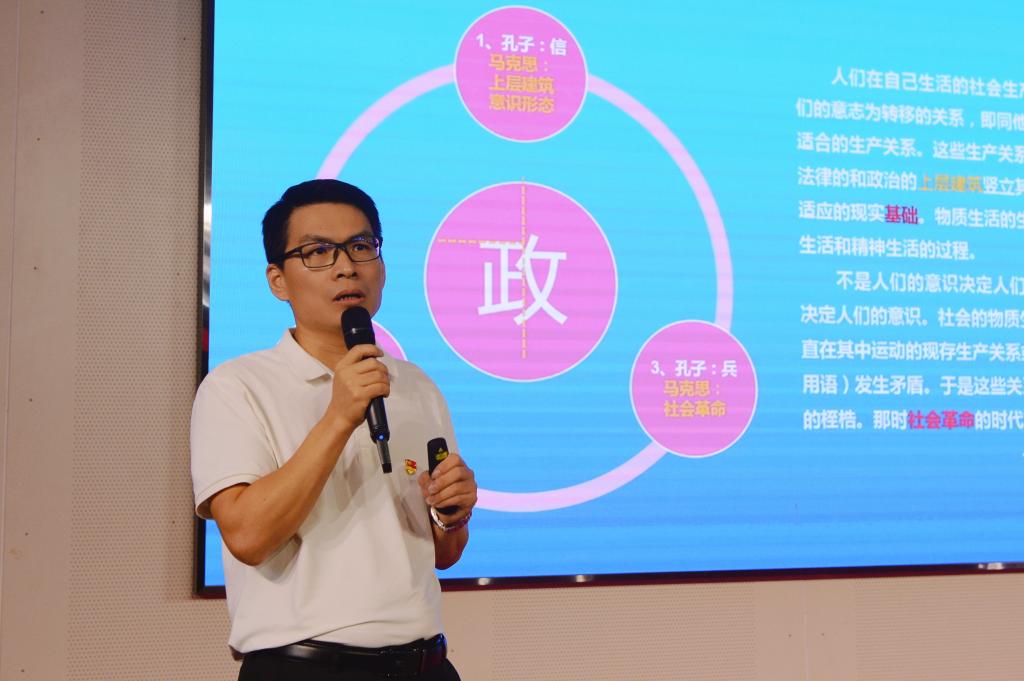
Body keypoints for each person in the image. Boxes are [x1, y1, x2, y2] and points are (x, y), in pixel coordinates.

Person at [191, 179, 477, 680]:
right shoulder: (237, 387)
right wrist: (339, 416)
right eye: (318, 252)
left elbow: (443, 554)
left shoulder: (417, 387)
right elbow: (248, 536)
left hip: (426, 663)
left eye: (361, 246)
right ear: (278, 280)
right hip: (307, 667)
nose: (347, 266)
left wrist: (452, 515)